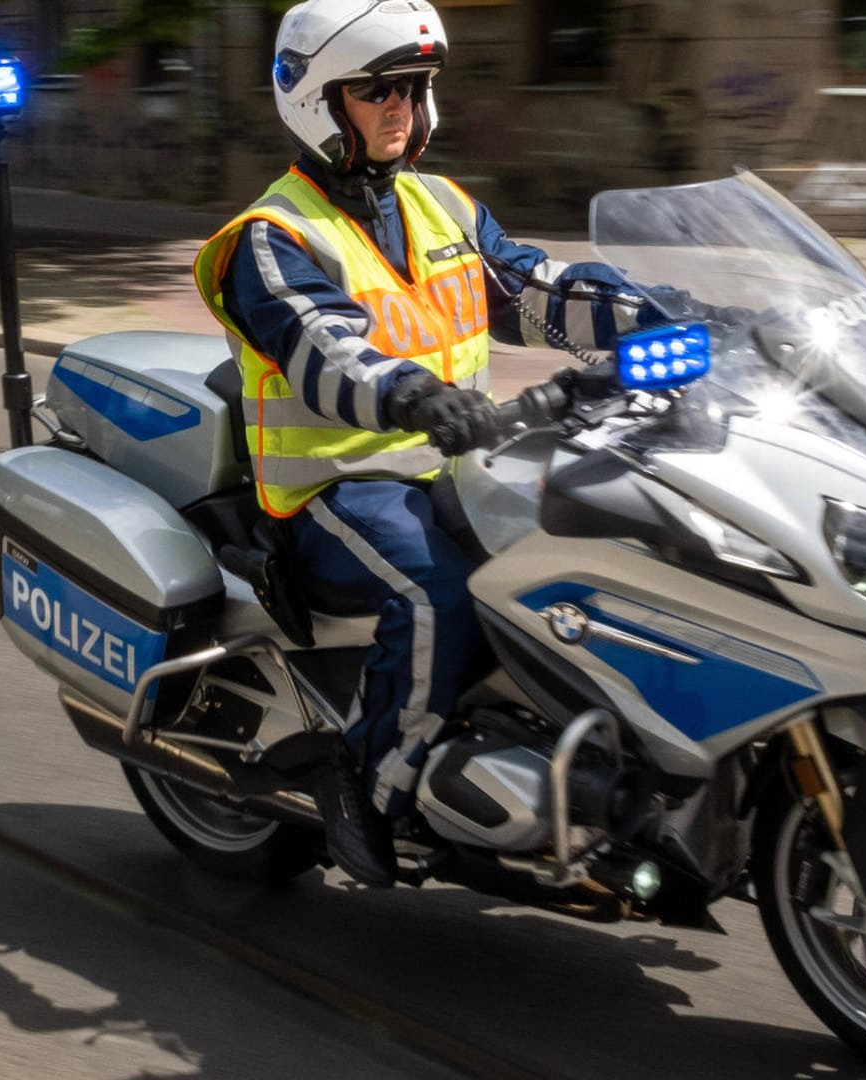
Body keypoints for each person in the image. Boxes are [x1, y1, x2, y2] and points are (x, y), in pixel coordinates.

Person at [191, 0, 663, 887]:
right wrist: (416, 394)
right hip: (339, 492)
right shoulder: (271, 238)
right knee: (443, 596)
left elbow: (536, 291)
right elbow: (323, 347)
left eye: (413, 87)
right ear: (321, 104)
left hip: (459, 473)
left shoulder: (440, 204)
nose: (401, 106)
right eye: (376, 90)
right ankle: (370, 786)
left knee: (595, 549)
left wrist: (667, 314)